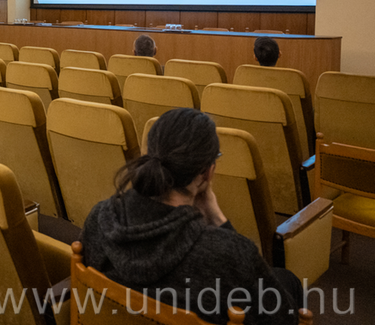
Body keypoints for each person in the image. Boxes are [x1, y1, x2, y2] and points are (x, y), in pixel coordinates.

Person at [80, 108, 302, 325]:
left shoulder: (100, 218)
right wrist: (218, 219)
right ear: (207, 172)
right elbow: (285, 318)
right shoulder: (230, 255)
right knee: (288, 282)